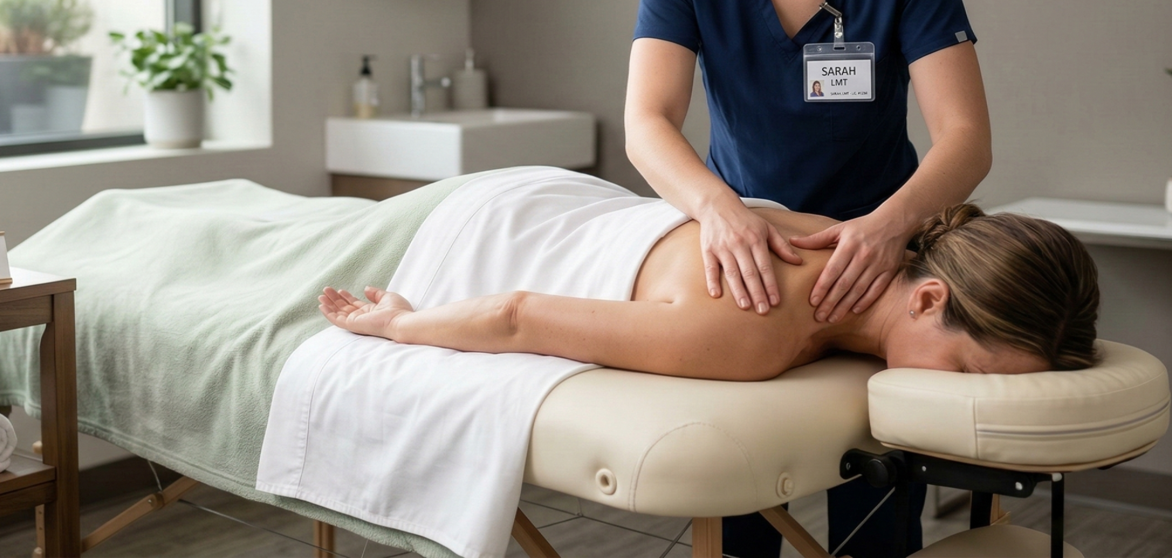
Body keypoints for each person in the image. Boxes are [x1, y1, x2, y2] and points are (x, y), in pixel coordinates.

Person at [625, 0, 992, 556]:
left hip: (877, 264)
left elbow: (965, 138)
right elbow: (647, 121)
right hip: (750, 261)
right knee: (741, 508)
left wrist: (888, 226)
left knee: (873, 519)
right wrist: (718, 211)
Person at [319, 201, 1099, 380]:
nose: (966, 404)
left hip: (568, 202)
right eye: (967, 376)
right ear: (929, 298)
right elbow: (518, 314)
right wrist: (399, 326)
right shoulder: (753, 329)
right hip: (468, 233)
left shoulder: (850, 242)